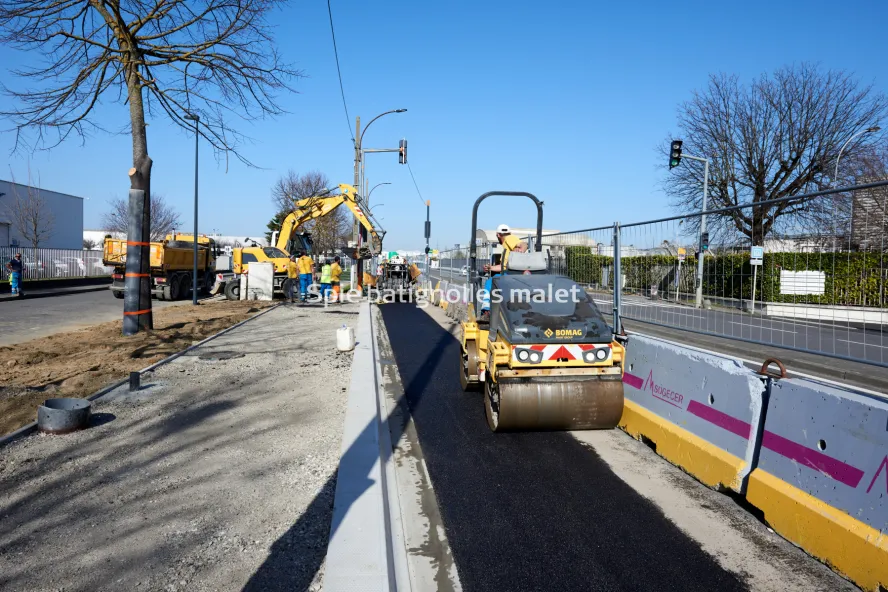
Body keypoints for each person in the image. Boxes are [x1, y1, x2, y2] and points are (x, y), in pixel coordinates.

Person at [480, 224, 528, 319]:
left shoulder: (509, 239)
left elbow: (523, 244)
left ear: (498, 235)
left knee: (490, 282)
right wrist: (490, 268)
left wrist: (521, 250)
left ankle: (486, 310)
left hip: (511, 273)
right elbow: (503, 267)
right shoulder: (507, 246)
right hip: (507, 271)